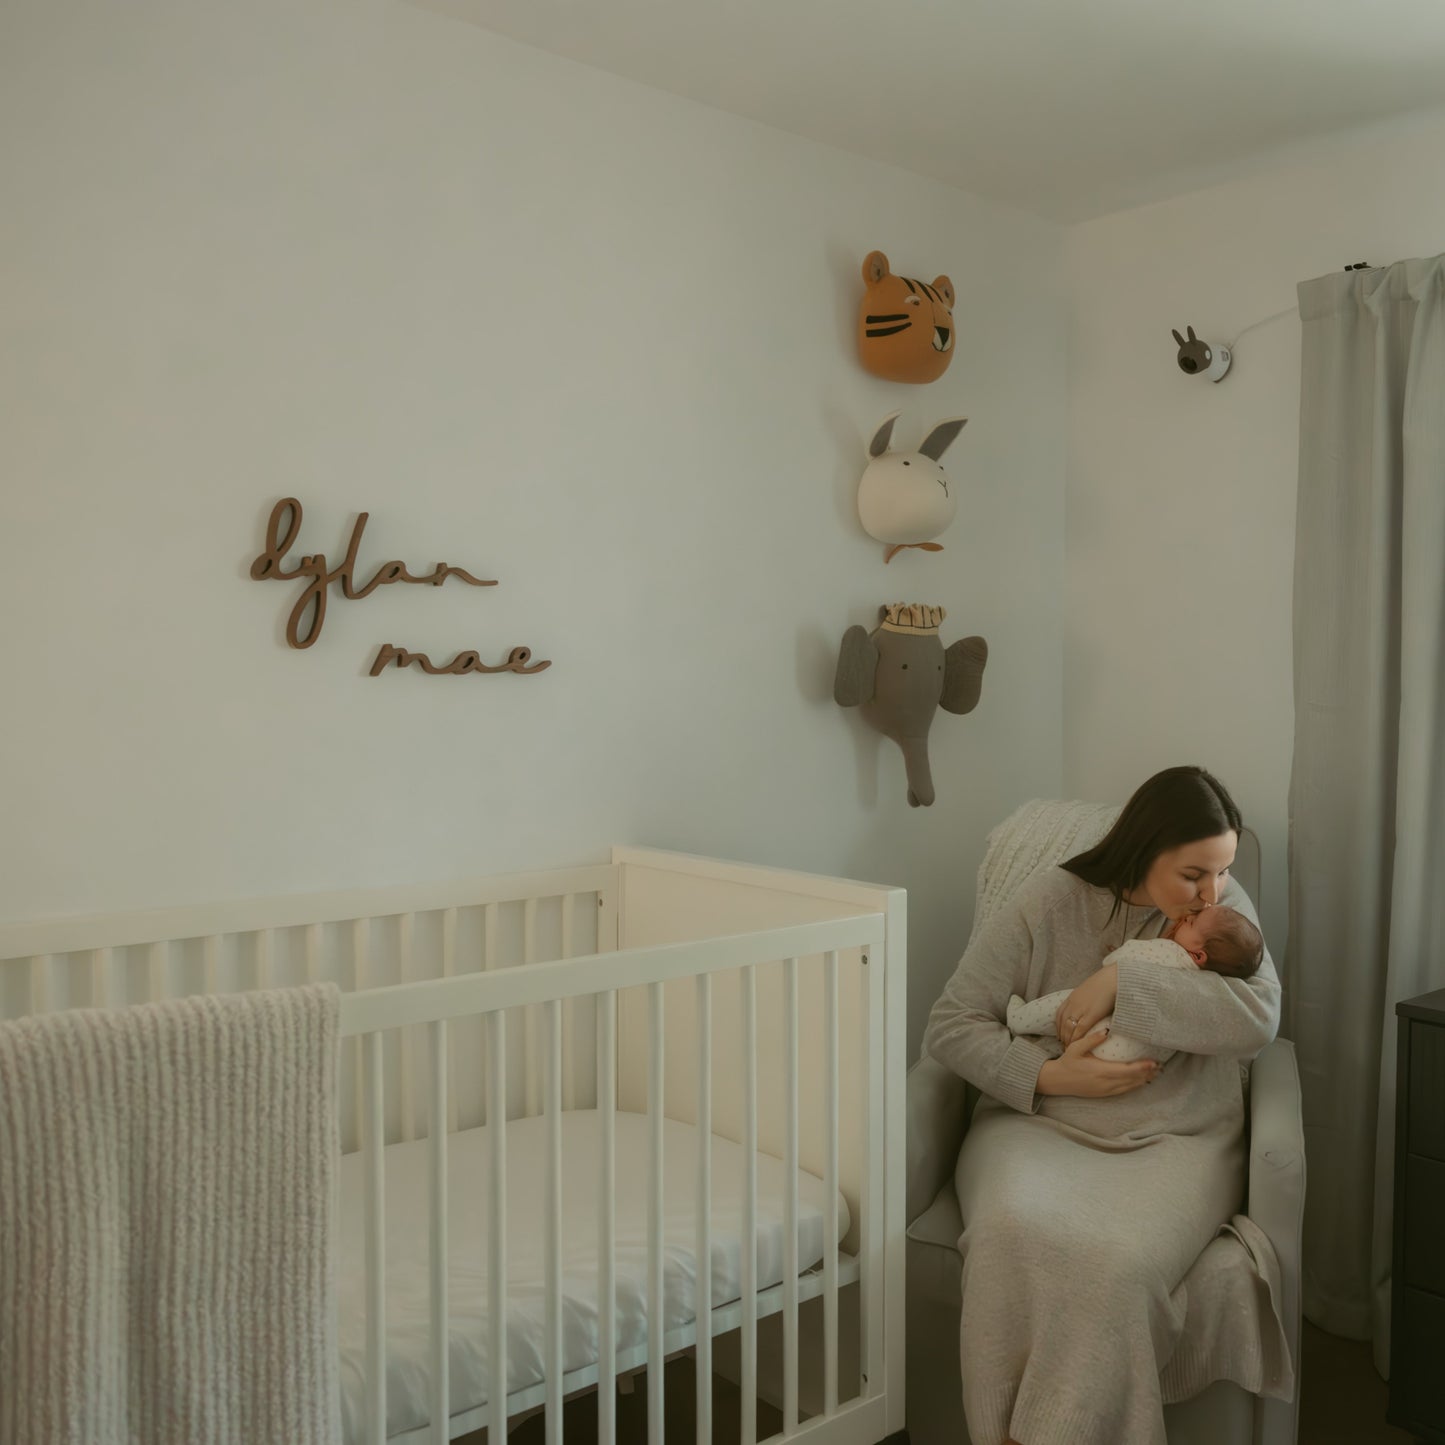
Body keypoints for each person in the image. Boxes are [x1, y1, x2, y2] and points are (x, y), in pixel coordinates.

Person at [922, 766, 1280, 1445]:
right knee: (1008, 1235)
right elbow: (952, 1022)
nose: (1212, 891)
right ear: (1143, 848)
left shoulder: (1219, 908)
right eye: (1193, 875)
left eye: (1222, 871)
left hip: (1176, 1139)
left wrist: (1121, 980)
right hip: (1036, 1129)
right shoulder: (1047, 902)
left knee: (1118, 1268)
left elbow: (1257, 1017)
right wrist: (1049, 1076)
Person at [1005, 904, 1265, 1064]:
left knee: (1068, 1003)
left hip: (1110, 1039)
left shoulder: (1170, 951)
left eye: (1191, 923)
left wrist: (1112, 964)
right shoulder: (1208, 982)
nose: (1186, 918)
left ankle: (1020, 1019)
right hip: (1139, 1057)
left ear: (1198, 956)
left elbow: (1126, 959)